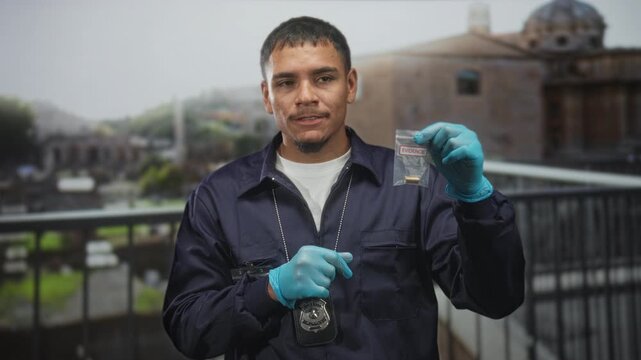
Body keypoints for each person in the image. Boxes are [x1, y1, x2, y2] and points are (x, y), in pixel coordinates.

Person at [162, 16, 524, 360]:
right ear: (267, 95)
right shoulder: (218, 196)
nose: (305, 96)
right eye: (286, 82)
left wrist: (474, 196)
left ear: (350, 85)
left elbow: (495, 299)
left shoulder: (410, 178)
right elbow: (187, 328)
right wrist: (270, 290)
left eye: (323, 78)